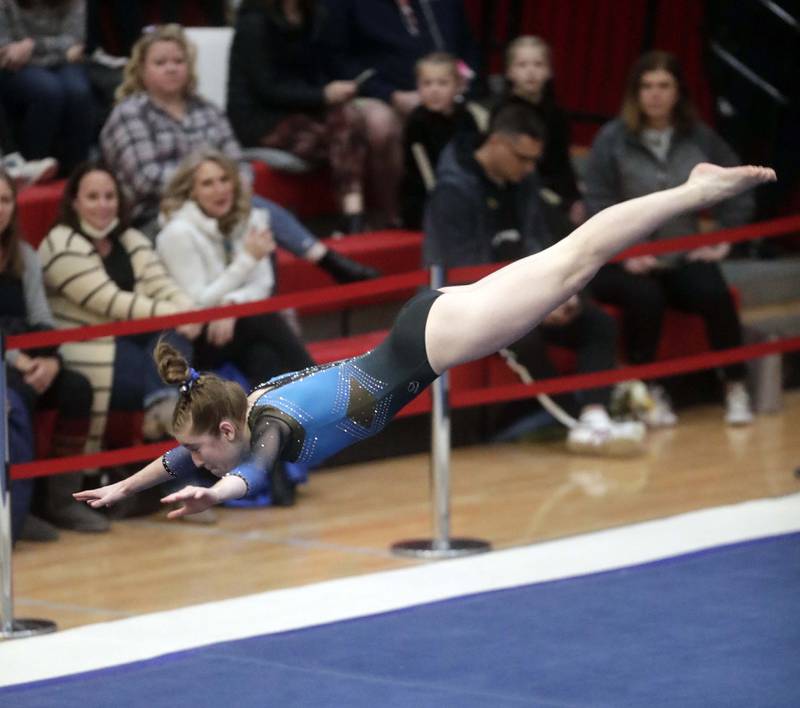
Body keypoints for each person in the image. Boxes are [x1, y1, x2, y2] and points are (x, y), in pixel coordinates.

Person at [73, 162, 776, 517]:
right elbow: (177, 455)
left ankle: (692, 190)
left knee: (577, 257)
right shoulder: (244, 404)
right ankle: (688, 191)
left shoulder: (272, 426)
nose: (194, 461)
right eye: (197, 456)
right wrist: (121, 489)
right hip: (426, 325)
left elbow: (250, 470)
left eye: (201, 452)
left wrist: (216, 494)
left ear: (226, 428)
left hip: (437, 340)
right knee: (573, 261)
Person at [423, 103, 640, 454]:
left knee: (597, 323)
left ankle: (595, 414)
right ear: (495, 142)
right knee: (523, 340)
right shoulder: (452, 191)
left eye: (532, 161)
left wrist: (558, 292)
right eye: (522, 158)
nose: (528, 169)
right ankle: (574, 419)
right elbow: (462, 269)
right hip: (473, 306)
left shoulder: (525, 183)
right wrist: (533, 303)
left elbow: (541, 243)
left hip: (525, 294)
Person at [99, 23, 376, 283]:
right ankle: (325, 259)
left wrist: (228, 185)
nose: (171, 69)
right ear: (141, 69)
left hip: (221, 202)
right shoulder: (128, 114)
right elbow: (145, 179)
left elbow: (237, 161)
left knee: (256, 219)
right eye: (161, 63)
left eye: (178, 61)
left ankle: (270, 305)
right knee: (253, 214)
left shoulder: (206, 109)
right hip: (158, 214)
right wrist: (208, 185)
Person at [585, 50, 757, 427]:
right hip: (626, 259)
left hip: (682, 255)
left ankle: (734, 385)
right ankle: (645, 392)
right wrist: (624, 253)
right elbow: (595, 200)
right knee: (645, 298)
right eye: (646, 86)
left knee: (714, 293)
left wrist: (722, 238)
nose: (655, 95)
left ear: (678, 91)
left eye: (664, 85)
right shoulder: (612, 139)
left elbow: (740, 185)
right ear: (635, 92)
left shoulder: (700, 137)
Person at [38, 162, 200, 453]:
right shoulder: (58, 243)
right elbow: (112, 302)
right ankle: (156, 441)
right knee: (149, 367)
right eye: (93, 197)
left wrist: (188, 309)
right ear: (74, 202)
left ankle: (161, 420)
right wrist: (182, 315)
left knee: (175, 340)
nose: (103, 205)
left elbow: (163, 284)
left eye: (109, 196)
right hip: (86, 342)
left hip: (131, 337)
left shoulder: (130, 238)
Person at [156, 149, 316, 391]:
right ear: (191, 192)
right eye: (208, 183)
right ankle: (319, 380)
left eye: (224, 179)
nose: (220, 189)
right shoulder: (176, 233)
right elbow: (199, 302)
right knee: (261, 315)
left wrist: (231, 305)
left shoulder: (250, 218)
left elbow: (263, 285)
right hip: (196, 338)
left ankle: (276, 420)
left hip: (238, 327)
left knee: (263, 356)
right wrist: (247, 260)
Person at [0, 168, 101, 534]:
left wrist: (51, 360)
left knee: (76, 388)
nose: (1, 208)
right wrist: (19, 360)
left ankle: (60, 500)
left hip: (28, 352)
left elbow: (41, 317)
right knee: (17, 396)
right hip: (9, 360)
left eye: (6, 200)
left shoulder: (24, 255)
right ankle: (16, 507)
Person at [320, 0, 481, 228]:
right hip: (379, 94)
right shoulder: (350, 5)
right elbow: (338, 60)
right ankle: (394, 214)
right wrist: (391, 95)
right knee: (382, 125)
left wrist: (460, 88)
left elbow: (467, 47)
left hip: (447, 90)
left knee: (479, 121)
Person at [227, 0, 370, 234]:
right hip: (261, 119)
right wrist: (323, 95)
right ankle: (349, 217)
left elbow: (316, 71)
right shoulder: (253, 22)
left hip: (303, 110)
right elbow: (267, 88)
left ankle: (353, 215)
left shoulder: (312, 15)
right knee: (341, 139)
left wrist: (335, 91)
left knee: (349, 118)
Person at [492, 35, 584, 227]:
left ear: (549, 71)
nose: (531, 71)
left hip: (553, 193)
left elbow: (562, 163)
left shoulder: (557, 114)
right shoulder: (502, 111)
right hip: (513, 195)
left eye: (538, 64)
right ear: (509, 72)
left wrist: (573, 199)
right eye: (522, 65)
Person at [0, 0, 94, 174]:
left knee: (78, 92)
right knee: (48, 91)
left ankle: (76, 172)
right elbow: (5, 50)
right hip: (18, 68)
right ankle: (32, 165)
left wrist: (33, 46)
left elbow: (74, 40)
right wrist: (59, 52)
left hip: (54, 63)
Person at [400, 52, 480, 229]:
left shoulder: (466, 117)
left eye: (442, 83)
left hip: (464, 189)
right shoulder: (417, 122)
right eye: (427, 83)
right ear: (418, 87)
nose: (434, 90)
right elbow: (421, 170)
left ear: (458, 86)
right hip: (427, 194)